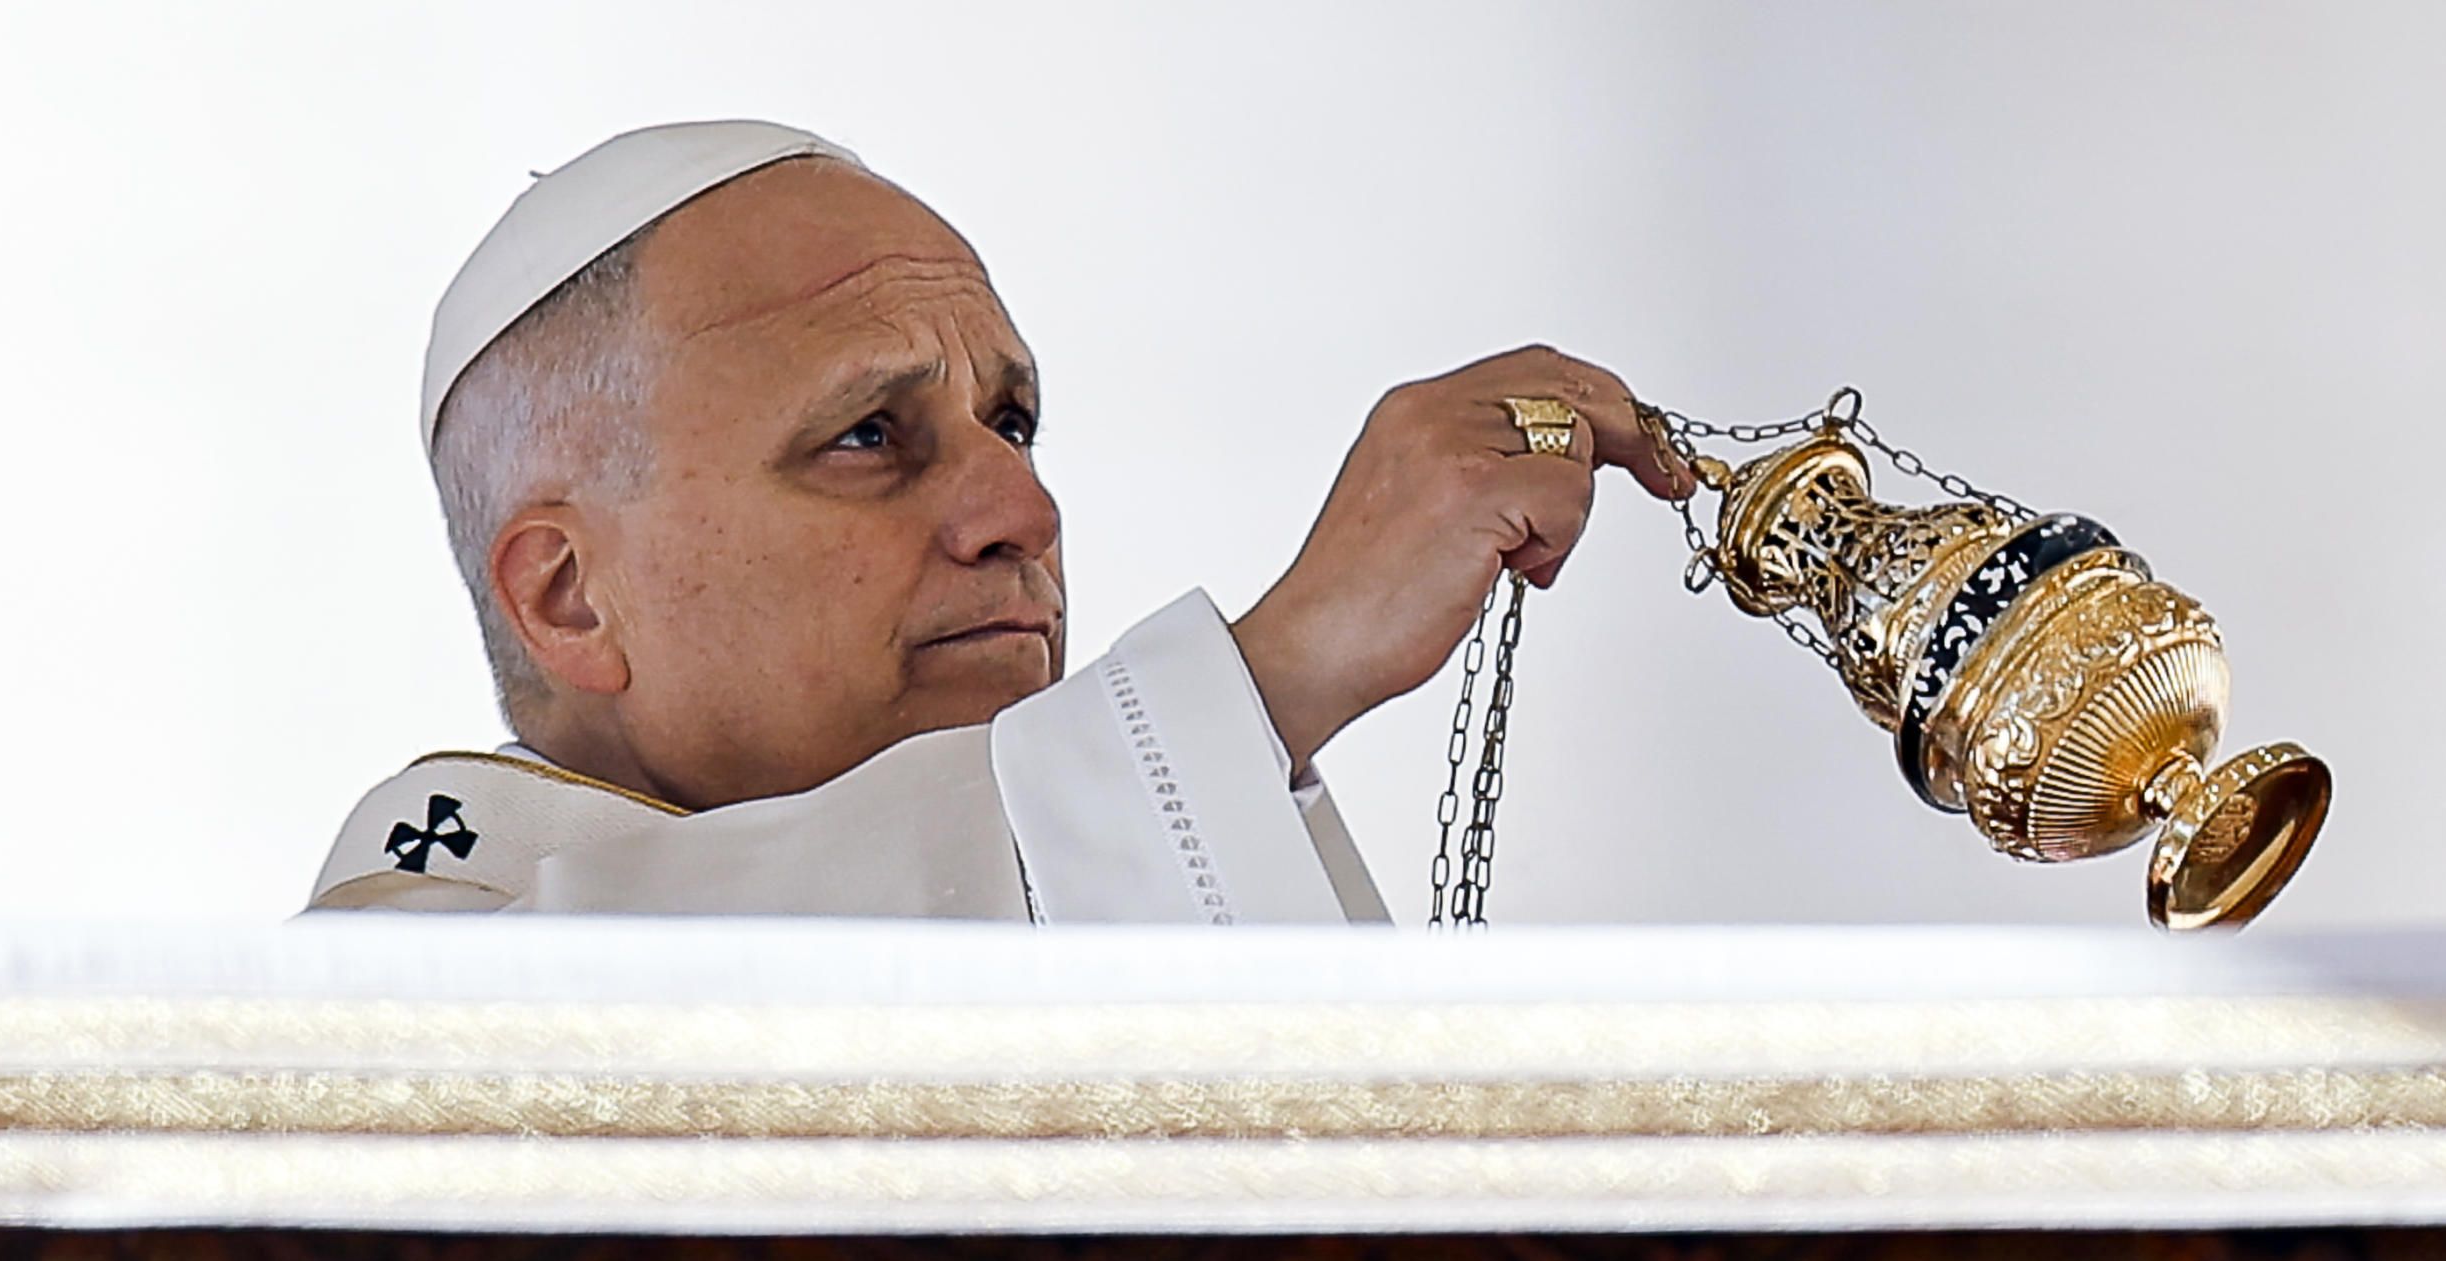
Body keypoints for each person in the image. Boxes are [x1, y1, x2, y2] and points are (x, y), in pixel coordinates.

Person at [310, 120, 1690, 919]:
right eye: (867, 436)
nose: (1022, 511)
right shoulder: (406, 1005)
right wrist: (1268, 683)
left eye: (1012, 424)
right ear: (567, 597)